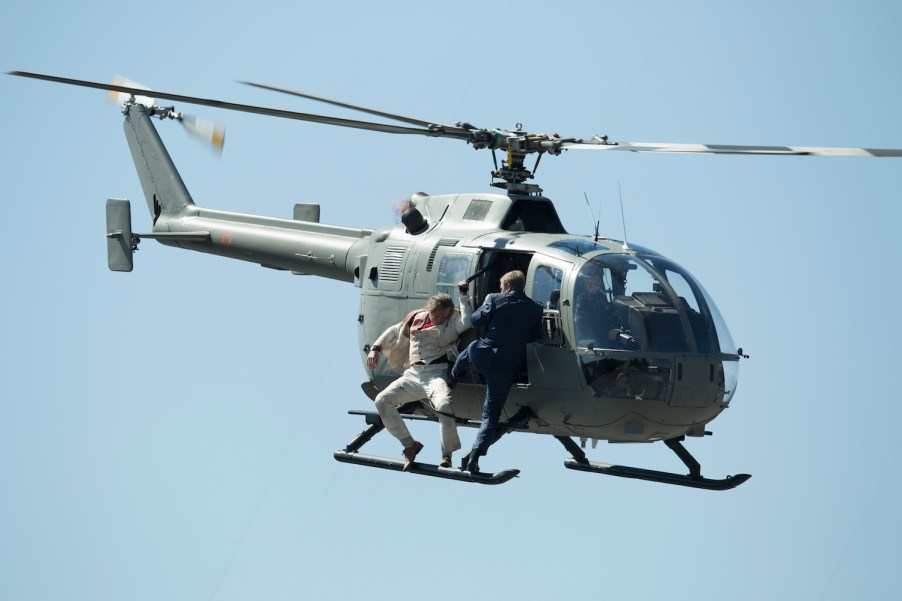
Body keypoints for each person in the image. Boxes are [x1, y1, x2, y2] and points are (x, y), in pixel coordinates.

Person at [366, 286, 472, 470]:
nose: (438, 319)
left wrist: (463, 295)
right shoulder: (417, 317)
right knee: (382, 401)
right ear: (429, 309)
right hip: (413, 375)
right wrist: (376, 348)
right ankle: (409, 445)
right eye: (435, 314)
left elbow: (468, 321)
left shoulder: (452, 323)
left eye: (442, 317)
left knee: (444, 406)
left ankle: (447, 454)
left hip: (436, 374)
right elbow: (393, 330)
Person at [451, 270, 543, 473]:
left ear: (507, 286)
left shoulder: (494, 299)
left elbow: (475, 320)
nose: (500, 289)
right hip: (506, 367)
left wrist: (485, 301)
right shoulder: (536, 309)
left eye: (502, 286)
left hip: (483, 356)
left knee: (471, 347)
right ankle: (474, 457)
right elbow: (535, 336)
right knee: (490, 417)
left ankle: (454, 377)